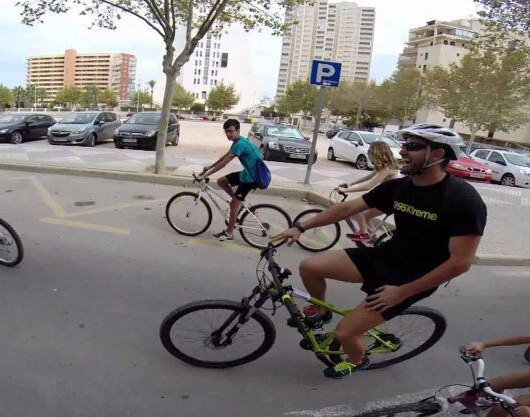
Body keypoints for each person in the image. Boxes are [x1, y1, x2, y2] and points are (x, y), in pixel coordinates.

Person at [273, 124, 487, 379]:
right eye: (404, 144)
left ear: (438, 155)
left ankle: (358, 360)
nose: (403, 151)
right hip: (385, 255)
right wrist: (300, 226)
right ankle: (321, 312)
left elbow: (460, 263)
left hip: (410, 278)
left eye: (413, 146)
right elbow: (345, 209)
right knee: (310, 267)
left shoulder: (463, 200)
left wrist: (401, 293)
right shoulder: (400, 187)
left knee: (345, 333)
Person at [199, 119, 264, 241]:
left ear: (238, 130)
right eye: (226, 132)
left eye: (231, 131)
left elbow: (224, 163)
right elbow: (226, 156)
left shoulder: (240, 144)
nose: (228, 134)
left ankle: (229, 233)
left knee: (234, 204)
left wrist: (206, 175)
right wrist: (209, 166)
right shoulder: (238, 141)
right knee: (221, 181)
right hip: (248, 173)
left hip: (251, 177)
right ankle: (239, 202)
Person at [337, 141, 400, 243]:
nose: (368, 154)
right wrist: (351, 183)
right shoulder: (383, 166)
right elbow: (369, 177)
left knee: (359, 211)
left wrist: (347, 190)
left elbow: (370, 185)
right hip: (386, 197)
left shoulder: (387, 168)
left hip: (391, 200)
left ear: (377, 153)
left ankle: (364, 235)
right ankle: (374, 240)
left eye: (370, 151)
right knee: (366, 216)